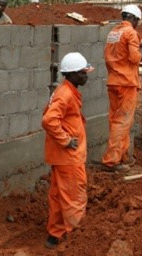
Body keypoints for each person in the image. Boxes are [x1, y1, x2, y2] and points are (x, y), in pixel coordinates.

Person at [41, 52, 94, 248]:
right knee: (74, 197)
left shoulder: (65, 90)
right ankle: (77, 242)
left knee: (57, 196)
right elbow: (48, 120)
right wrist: (65, 140)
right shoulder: (65, 94)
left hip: (61, 158)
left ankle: (54, 235)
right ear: (71, 74)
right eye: (82, 73)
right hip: (69, 158)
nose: (86, 76)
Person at [101, 4, 142, 172]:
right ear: (134, 19)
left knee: (116, 120)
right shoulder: (131, 33)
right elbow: (135, 58)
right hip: (126, 83)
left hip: (113, 81)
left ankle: (122, 157)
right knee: (122, 122)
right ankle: (112, 161)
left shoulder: (113, 33)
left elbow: (109, 56)